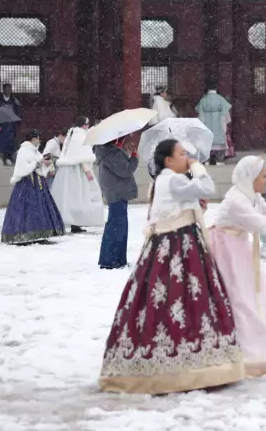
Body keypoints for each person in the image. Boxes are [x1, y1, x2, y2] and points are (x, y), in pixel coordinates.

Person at [99, 139, 245, 394]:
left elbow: (183, 201)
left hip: (169, 242)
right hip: (177, 244)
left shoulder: (164, 180)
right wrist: (197, 166)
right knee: (183, 297)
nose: (186, 157)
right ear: (168, 160)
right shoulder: (171, 179)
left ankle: (167, 362)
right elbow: (208, 186)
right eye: (181, 154)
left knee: (162, 299)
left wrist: (192, 202)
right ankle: (184, 366)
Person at [210, 156, 266, 377]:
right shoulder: (236, 201)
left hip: (238, 247)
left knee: (249, 296)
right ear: (250, 178)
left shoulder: (252, 196)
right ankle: (239, 352)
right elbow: (265, 226)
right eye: (264, 176)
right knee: (237, 299)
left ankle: (253, 349)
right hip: (225, 250)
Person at [1, 130, 65, 245]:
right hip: (26, 184)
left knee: (38, 209)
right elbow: (22, 168)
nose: (39, 140)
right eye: (38, 138)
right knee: (26, 209)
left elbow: (39, 164)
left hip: (38, 182)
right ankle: (23, 234)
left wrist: (44, 163)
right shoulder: (24, 150)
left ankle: (40, 234)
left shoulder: (34, 151)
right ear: (33, 139)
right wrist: (37, 163)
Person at [50, 117, 105, 233]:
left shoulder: (72, 134)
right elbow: (82, 156)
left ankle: (64, 222)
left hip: (67, 170)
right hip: (77, 170)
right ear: (84, 125)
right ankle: (75, 223)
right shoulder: (81, 136)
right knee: (79, 196)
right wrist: (88, 171)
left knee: (68, 197)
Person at [94, 135, 139, 269]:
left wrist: (121, 150)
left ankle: (117, 259)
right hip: (117, 194)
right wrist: (134, 157)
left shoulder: (107, 152)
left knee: (118, 226)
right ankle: (110, 260)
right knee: (117, 227)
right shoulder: (112, 154)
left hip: (115, 193)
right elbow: (126, 170)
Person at [196, 82, 232, 165]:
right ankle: (219, 159)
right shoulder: (220, 99)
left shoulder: (203, 100)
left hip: (206, 121)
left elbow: (200, 114)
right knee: (219, 141)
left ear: (207, 89)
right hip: (219, 120)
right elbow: (225, 114)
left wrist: (201, 123)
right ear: (216, 89)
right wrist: (225, 122)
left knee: (207, 141)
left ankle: (206, 160)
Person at [0, 84, 21, 165]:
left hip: (11, 125)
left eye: (10, 89)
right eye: (7, 89)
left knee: (10, 141)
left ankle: (8, 157)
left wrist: (17, 123)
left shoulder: (14, 101)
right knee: (0, 141)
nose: (8, 91)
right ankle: (0, 157)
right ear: (3, 90)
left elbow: (18, 113)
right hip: (1, 125)